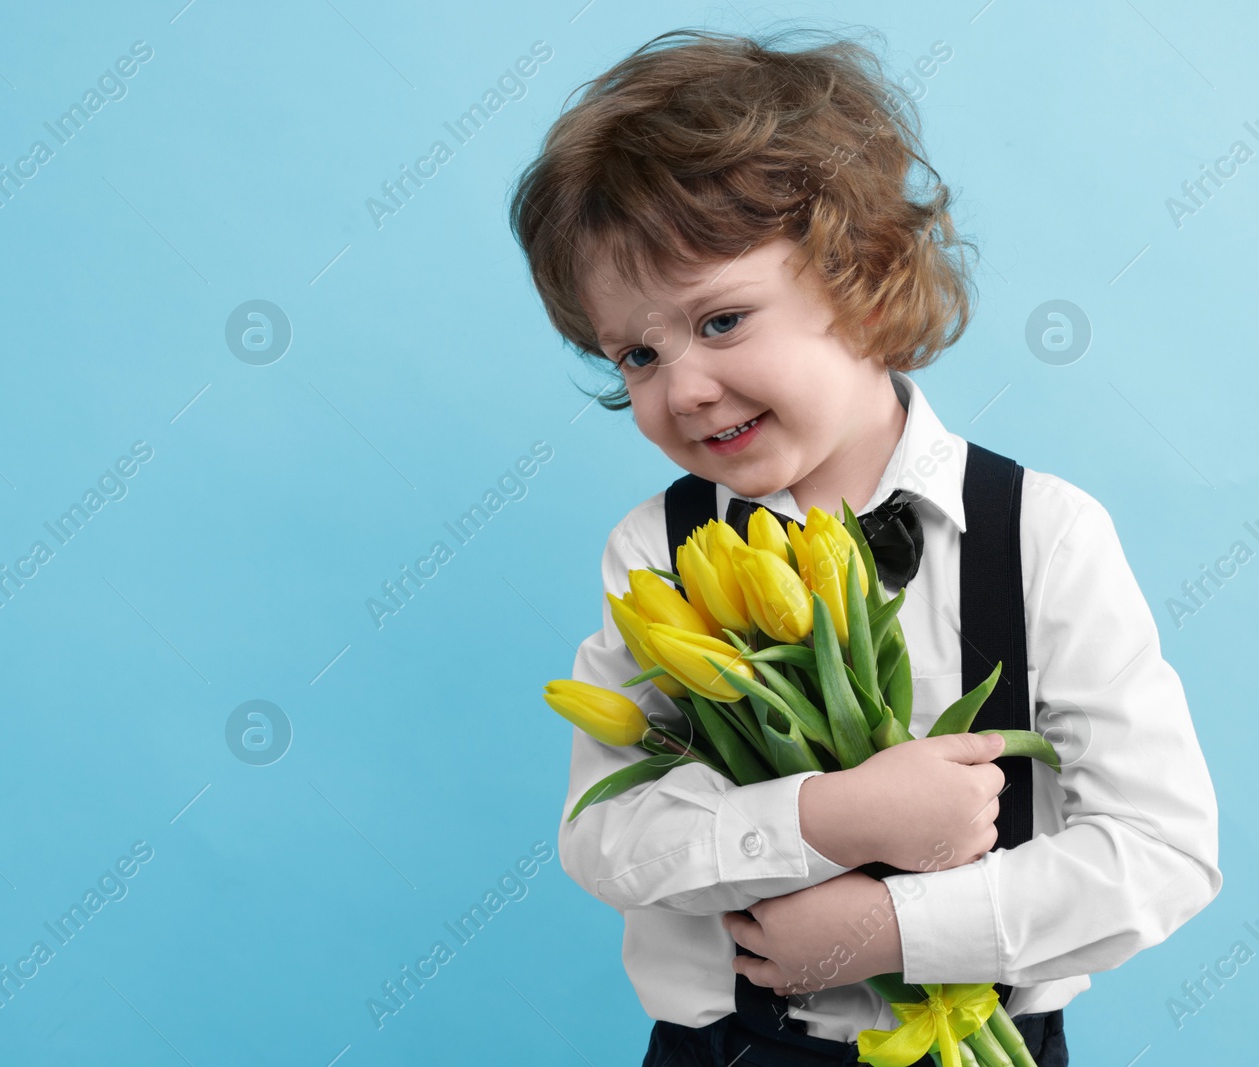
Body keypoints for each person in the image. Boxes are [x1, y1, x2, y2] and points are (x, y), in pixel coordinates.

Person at [507, 27, 1221, 1066]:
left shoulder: (1044, 535)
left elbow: (1160, 853)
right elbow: (606, 835)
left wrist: (892, 931)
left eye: (719, 321)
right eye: (637, 352)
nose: (682, 386)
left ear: (860, 273)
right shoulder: (657, 549)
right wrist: (829, 816)